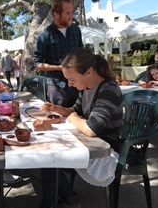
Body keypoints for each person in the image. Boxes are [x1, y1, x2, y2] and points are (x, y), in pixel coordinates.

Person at [40, 48, 123, 208]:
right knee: (47, 151)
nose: (69, 84)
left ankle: (56, 200)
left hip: (105, 153)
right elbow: (76, 111)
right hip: (89, 144)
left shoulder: (108, 89)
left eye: (72, 79)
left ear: (89, 72)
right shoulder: (86, 87)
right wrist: (58, 109)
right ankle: (67, 196)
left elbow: (91, 129)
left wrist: (72, 118)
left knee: (48, 157)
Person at [33, 0, 83, 107]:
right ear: (56, 15)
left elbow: (81, 53)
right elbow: (37, 64)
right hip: (57, 87)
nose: (71, 17)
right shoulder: (45, 35)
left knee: (78, 117)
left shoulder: (76, 30)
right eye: (67, 13)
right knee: (58, 119)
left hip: (78, 84)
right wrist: (60, 67)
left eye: (72, 12)